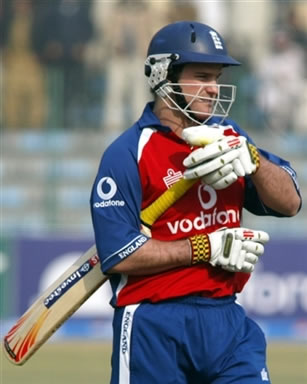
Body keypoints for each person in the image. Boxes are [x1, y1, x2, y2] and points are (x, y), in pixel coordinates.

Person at [90, 21, 301, 384]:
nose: (213, 88)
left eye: (216, 77)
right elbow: (118, 254)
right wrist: (204, 247)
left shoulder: (230, 137)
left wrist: (252, 158)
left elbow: (291, 202)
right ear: (163, 76)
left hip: (227, 322)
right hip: (153, 323)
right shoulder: (127, 153)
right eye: (201, 76)